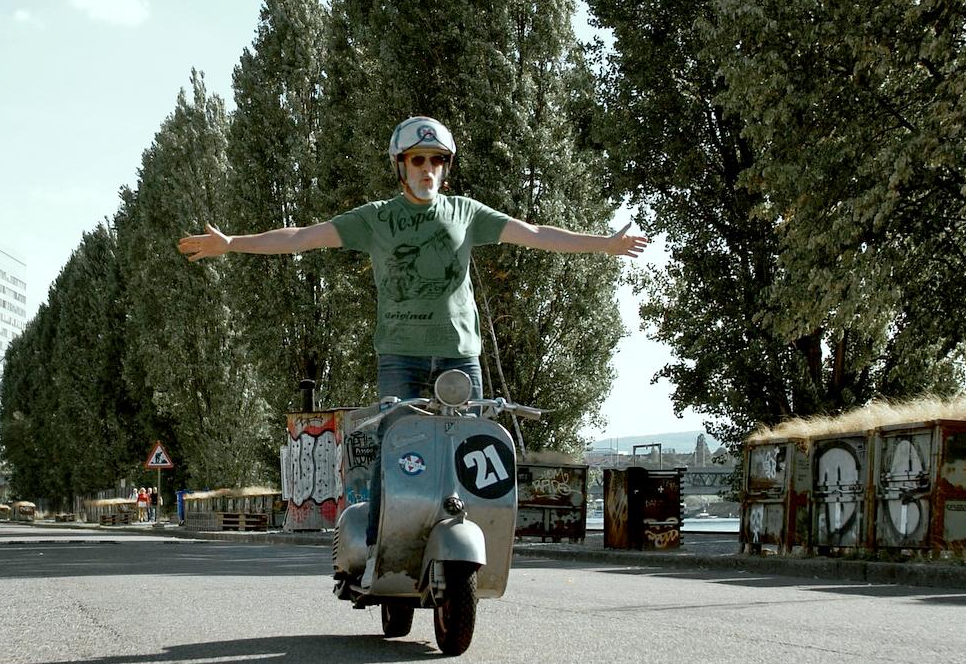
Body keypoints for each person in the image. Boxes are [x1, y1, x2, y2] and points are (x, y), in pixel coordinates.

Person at [178, 116, 647, 580]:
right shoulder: (376, 219)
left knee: (472, 455)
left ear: (446, 168)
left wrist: (603, 246)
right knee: (397, 453)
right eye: (418, 160)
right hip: (400, 358)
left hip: (461, 357)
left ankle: (471, 547)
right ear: (400, 166)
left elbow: (537, 234)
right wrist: (232, 244)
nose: (428, 170)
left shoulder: (466, 212)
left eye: (437, 162)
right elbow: (302, 238)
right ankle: (378, 547)